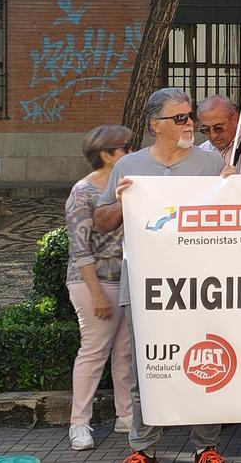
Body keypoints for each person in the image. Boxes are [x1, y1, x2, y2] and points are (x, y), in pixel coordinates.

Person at [90, 87, 229, 463]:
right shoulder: (129, 165)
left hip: (201, 286)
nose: (190, 124)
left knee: (206, 360)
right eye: (180, 117)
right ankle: (142, 449)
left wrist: (238, 185)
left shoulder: (211, 162)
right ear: (156, 125)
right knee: (147, 368)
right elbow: (100, 221)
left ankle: (207, 446)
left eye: (190, 116)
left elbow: (233, 212)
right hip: (147, 288)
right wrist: (120, 201)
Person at [66, 125, 136, 451]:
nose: (132, 152)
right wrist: (95, 294)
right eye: (126, 147)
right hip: (94, 282)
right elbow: (79, 249)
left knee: (124, 352)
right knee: (94, 353)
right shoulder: (82, 193)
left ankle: (127, 416)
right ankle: (79, 424)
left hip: (126, 281)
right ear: (107, 155)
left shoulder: (127, 185)